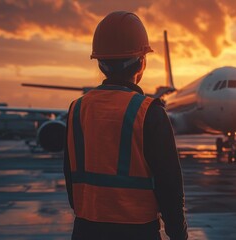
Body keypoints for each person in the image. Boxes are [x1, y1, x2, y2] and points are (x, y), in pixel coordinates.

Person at [63, 11, 188, 240]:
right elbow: (170, 187)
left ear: (99, 63)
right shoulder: (149, 112)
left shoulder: (76, 109)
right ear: (142, 61)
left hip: (85, 229)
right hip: (137, 230)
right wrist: (178, 234)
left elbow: (70, 178)